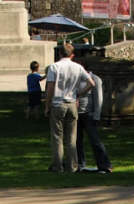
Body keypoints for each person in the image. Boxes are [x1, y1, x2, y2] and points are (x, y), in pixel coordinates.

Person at [43, 43, 90, 173]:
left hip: (58, 103)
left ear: (59, 54)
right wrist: (79, 94)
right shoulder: (78, 67)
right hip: (72, 103)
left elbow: (50, 88)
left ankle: (58, 166)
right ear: (72, 55)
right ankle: (72, 166)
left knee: (57, 137)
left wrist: (47, 105)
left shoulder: (54, 67)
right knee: (72, 137)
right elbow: (91, 82)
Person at [77, 67, 113, 174]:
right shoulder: (75, 79)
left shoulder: (95, 79)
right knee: (76, 141)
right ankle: (80, 164)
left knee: (95, 140)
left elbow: (99, 99)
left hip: (89, 115)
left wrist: (96, 116)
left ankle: (104, 165)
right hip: (77, 115)